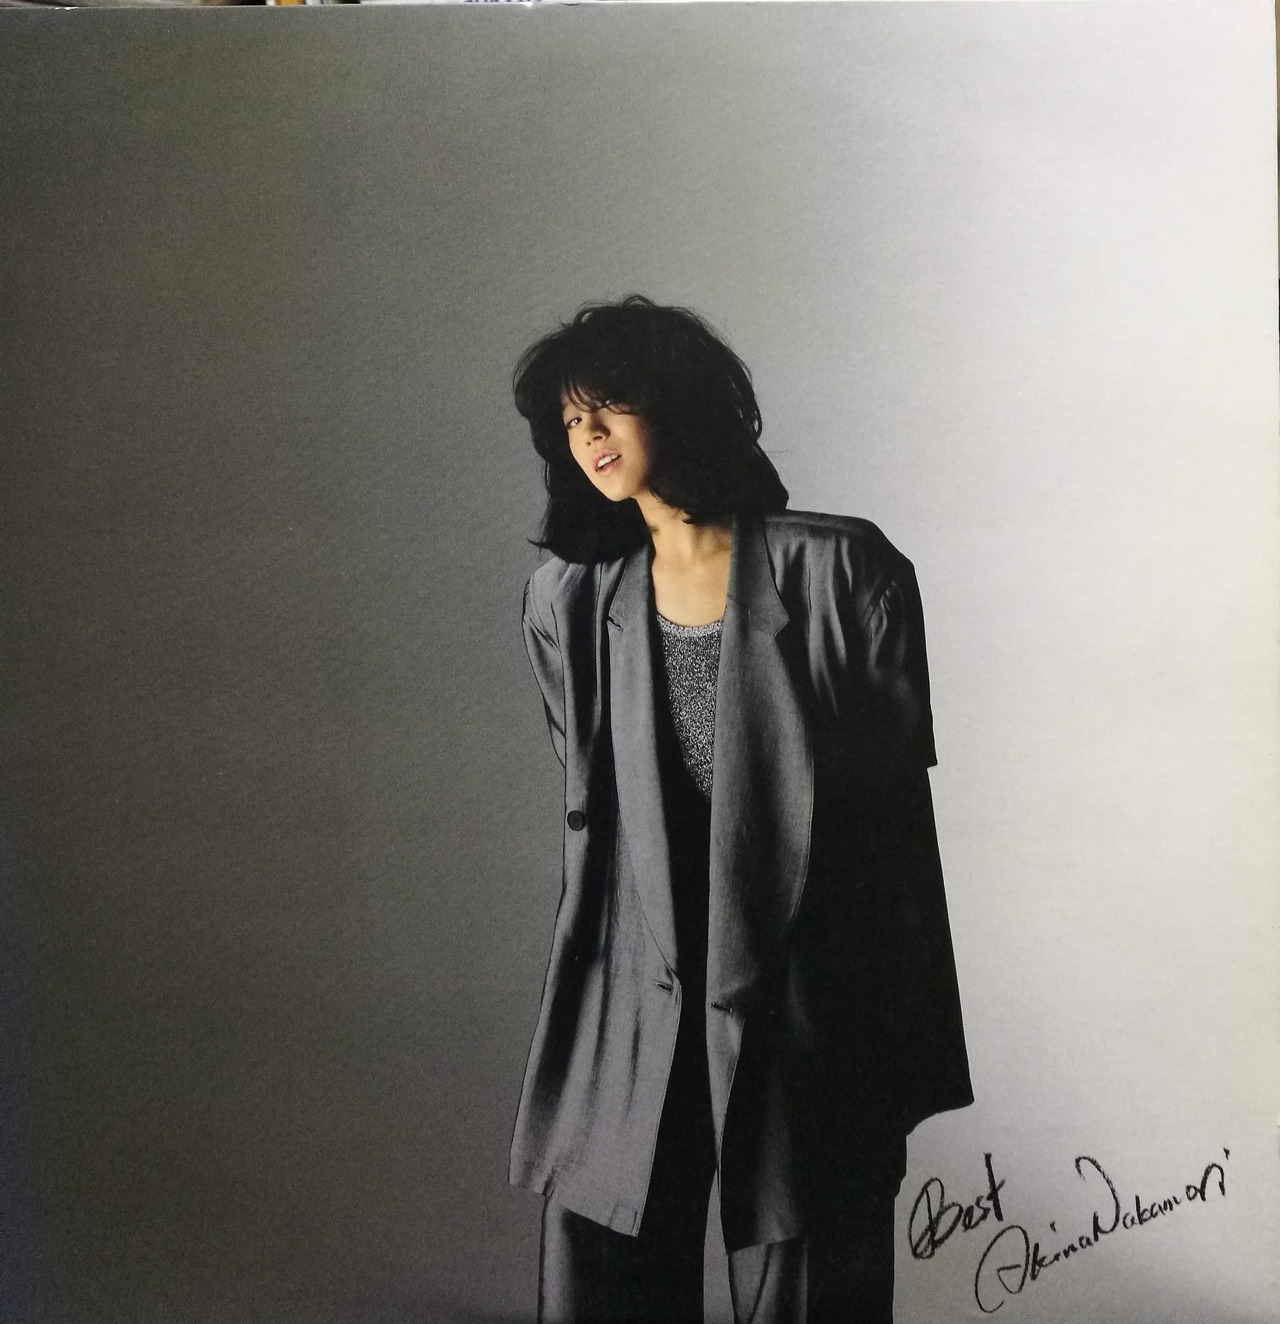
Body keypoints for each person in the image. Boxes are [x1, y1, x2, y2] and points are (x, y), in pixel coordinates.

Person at [509, 295, 972, 1324]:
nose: (588, 433)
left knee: (813, 1269)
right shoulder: (566, 601)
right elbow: (601, 815)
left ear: (679, 405)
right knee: (605, 1267)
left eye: (611, 404)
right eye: (570, 419)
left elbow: (893, 837)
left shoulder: (845, 572)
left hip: (803, 992)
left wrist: (885, 1044)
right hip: (629, 993)